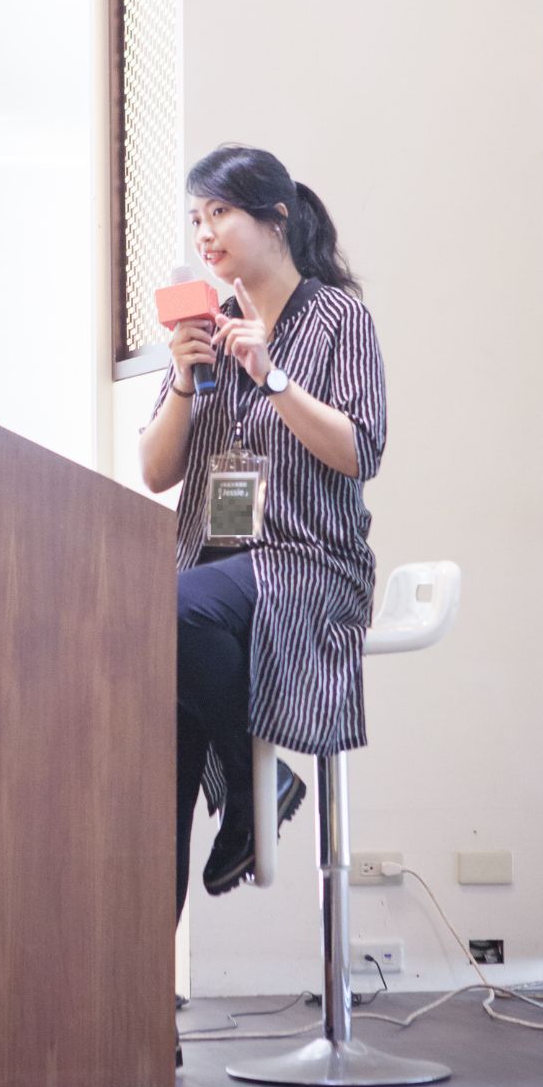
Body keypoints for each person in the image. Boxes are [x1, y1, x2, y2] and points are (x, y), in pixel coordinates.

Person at [139, 143, 387, 927]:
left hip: (309, 563)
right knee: (156, 784)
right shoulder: (206, 328)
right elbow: (154, 471)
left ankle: (255, 791)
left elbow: (361, 450)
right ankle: (143, 996)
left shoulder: (338, 318)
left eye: (220, 213)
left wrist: (272, 375)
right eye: (196, 218)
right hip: (211, 568)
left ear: (275, 219)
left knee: (164, 608)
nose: (204, 234)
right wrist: (184, 380)